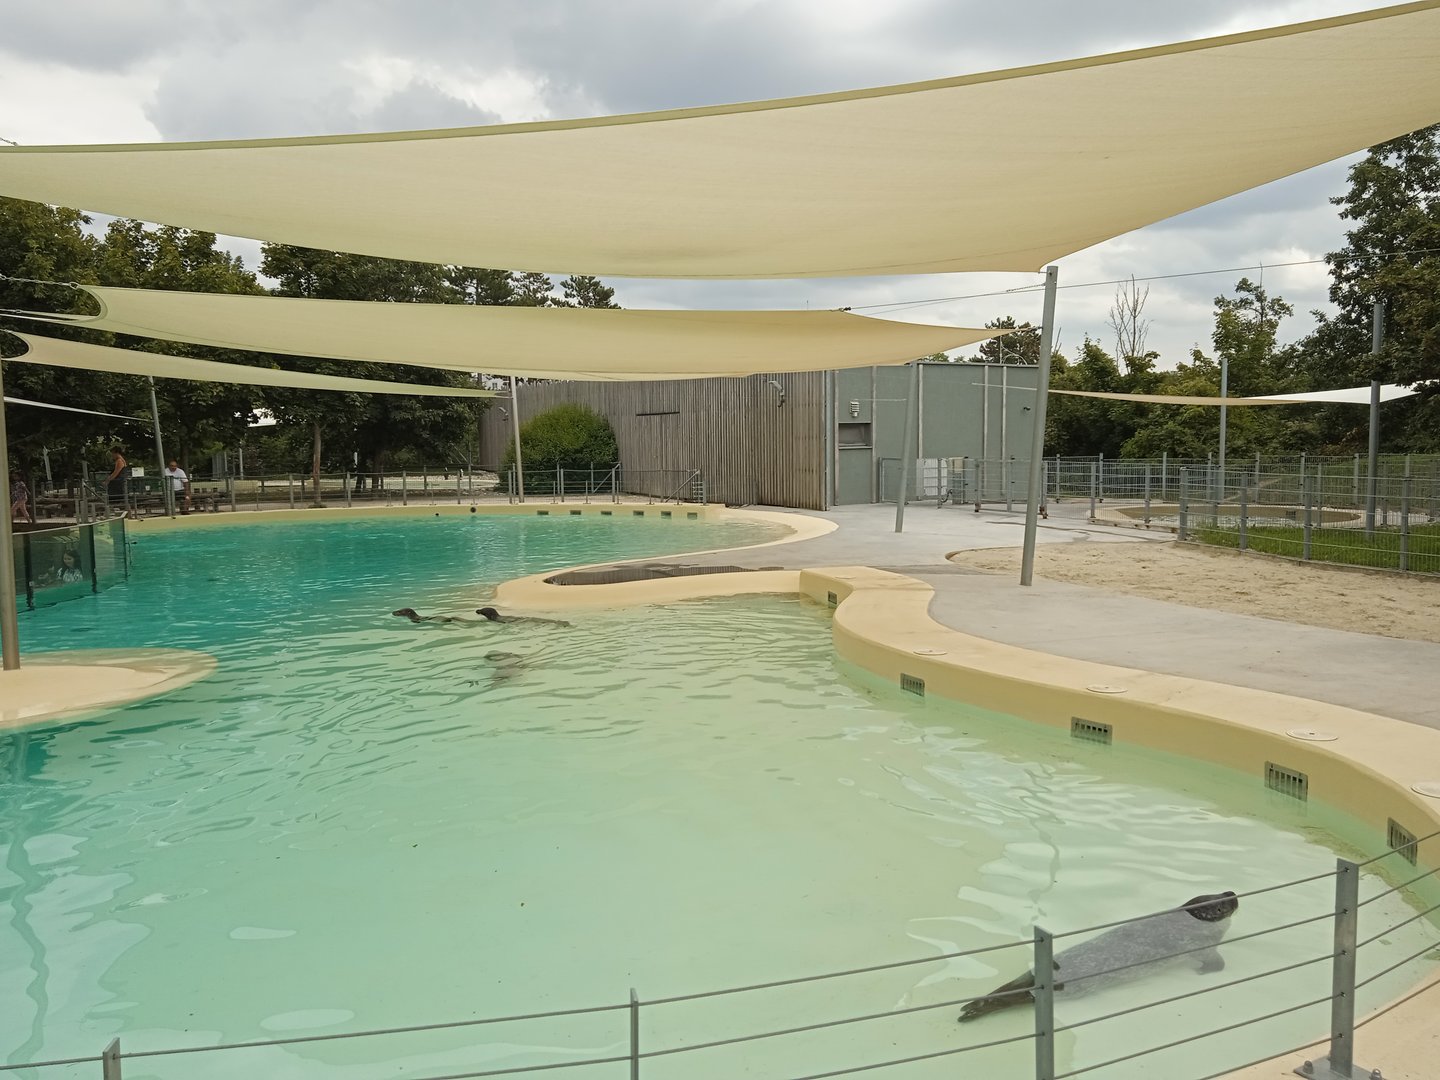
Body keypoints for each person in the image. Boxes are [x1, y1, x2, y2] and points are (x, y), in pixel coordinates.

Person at [475, 606, 571, 628]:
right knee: (538, 621)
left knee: (537, 621)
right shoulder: (499, 617)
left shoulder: (495, 620)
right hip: (515, 619)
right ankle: (557, 622)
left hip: (513, 622)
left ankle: (556, 623)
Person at [106, 447, 130, 511]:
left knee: (115, 499)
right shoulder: (120, 460)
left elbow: (115, 473)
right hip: (118, 483)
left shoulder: (119, 461)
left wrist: (108, 480)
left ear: (116, 453)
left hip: (118, 483)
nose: (112, 456)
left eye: (112, 454)